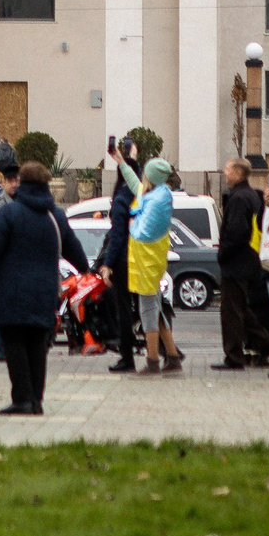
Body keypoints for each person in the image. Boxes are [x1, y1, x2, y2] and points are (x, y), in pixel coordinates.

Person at [0, 161, 83, 415]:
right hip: (46, 291)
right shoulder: (56, 215)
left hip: (11, 291)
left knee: (14, 343)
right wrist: (91, 271)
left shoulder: (10, 214)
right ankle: (36, 400)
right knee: (38, 345)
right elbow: (76, 252)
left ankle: (22, 399)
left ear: (22, 183)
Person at [122, 156, 180, 373]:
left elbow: (142, 233)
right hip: (152, 263)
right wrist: (121, 161)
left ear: (151, 177)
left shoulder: (155, 201)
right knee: (156, 309)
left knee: (148, 312)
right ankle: (172, 357)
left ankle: (153, 361)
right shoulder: (158, 194)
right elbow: (136, 186)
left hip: (147, 264)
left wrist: (130, 223)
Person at [216, 159, 269, 369]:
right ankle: (264, 343)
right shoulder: (251, 195)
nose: (225, 172)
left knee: (231, 311)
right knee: (240, 308)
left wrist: (223, 253)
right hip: (249, 260)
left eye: (228, 169)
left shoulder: (239, 198)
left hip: (237, 262)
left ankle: (234, 356)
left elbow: (237, 231)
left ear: (238, 172)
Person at [98, 137, 139, 372]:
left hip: (125, 259)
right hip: (143, 256)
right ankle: (167, 350)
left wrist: (108, 263)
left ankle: (127, 357)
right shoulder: (144, 194)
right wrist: (129, 157)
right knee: (150, 305)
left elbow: (117, 236)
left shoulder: (123, 197)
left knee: (124, 309)